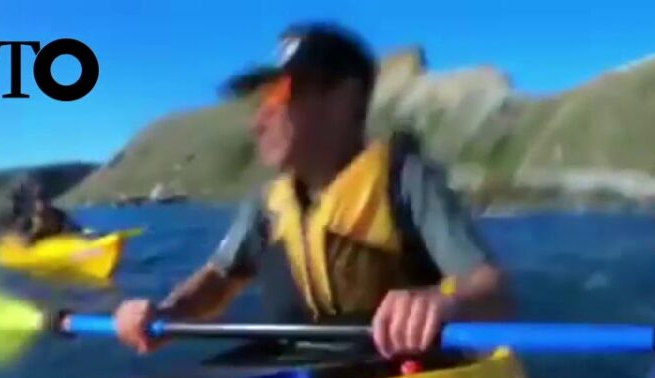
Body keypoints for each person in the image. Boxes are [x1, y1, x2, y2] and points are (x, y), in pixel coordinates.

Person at [113, 22, 509, 359]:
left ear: (344, 98)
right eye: (259, 101)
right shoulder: (266, 206)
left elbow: (492, 289)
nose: (259, 121)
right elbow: (217, 280)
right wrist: (166, 311)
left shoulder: (406, 179)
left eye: (279, 94)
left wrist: (446, 303)